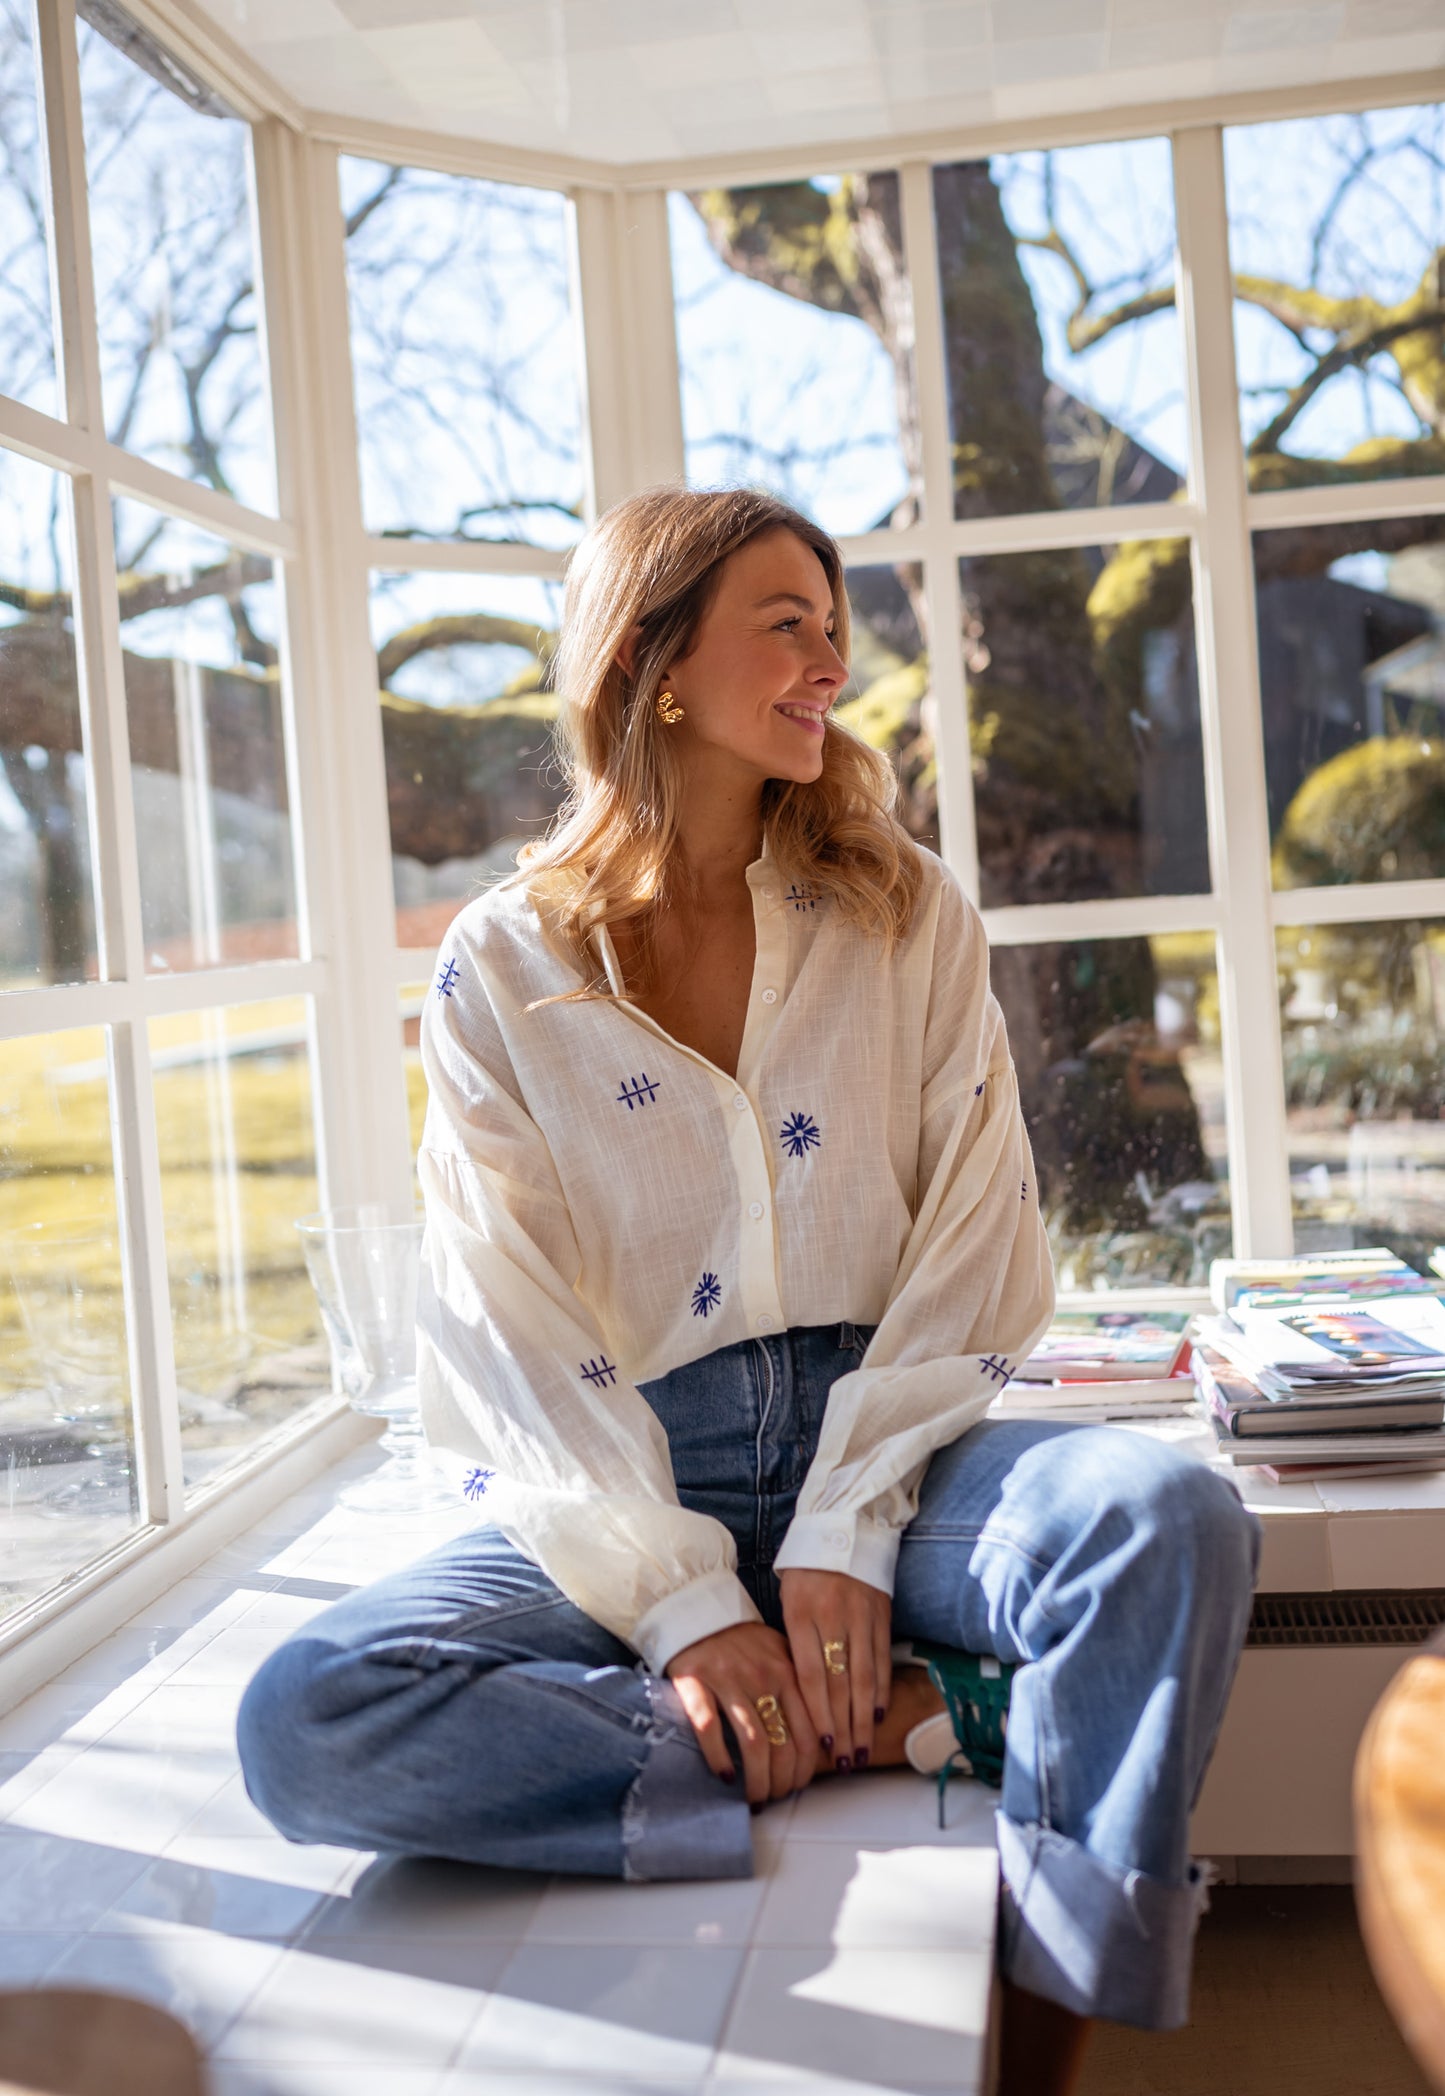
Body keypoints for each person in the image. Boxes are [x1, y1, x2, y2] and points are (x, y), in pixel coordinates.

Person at [237, 486, 1260, 2095]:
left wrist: (852, 1515)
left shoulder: (900, 906)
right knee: (307, 1715)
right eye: (786, 623)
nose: (828, 666)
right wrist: (691, 1608)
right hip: (637, 1461)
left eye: (834, 631)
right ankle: (905, 1719)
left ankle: (1060, 2018)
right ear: (650, 659)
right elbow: (500, 1318)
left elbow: (975, 1237)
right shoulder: (504, 966)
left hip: (896, 1435)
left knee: (1166, 1522)